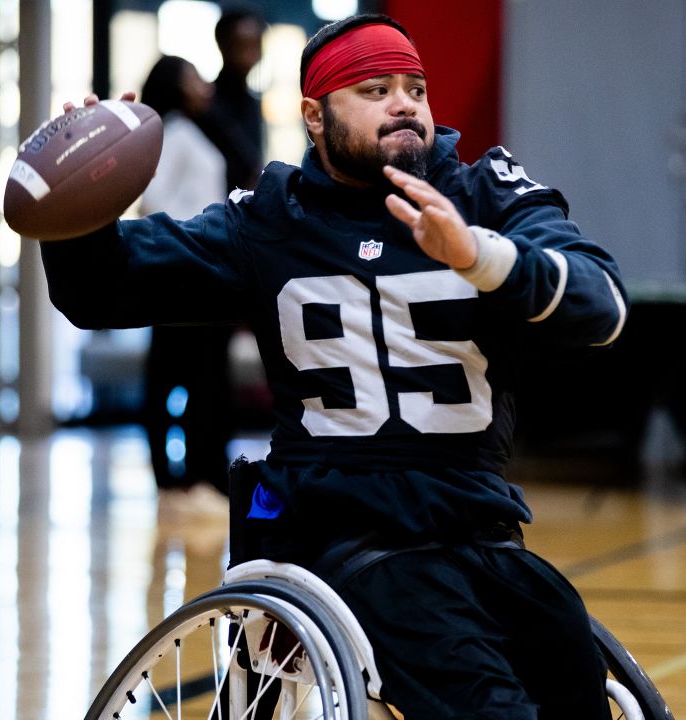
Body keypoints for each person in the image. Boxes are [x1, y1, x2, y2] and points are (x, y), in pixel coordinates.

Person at [41, 14, 626, 717]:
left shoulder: (483, 195)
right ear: (314, 117)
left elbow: (603, 305)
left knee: (572, 676)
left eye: (415, 86)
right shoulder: (269, 220)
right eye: (375, 89)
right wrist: (71, 200)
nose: (404, 103)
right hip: (342, 532)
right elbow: (102, 288)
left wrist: (479, 256)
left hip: (476, 524)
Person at [137, 55, 233, 517]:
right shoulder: (173, 134)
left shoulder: (197, 131)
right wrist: (193, 238)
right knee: (177, 377)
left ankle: (201, 478)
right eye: (193, 77)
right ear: (175, 87)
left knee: (205, 378)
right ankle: (177, 482)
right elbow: (152, 201)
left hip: (206, 273)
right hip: (184, 273)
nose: (204, 85)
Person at [201, 2, 267, 193]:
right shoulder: (205, 103)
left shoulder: (252, 102)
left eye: (256, 45)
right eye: (241, 45)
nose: (250, 55)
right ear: (223, 45)